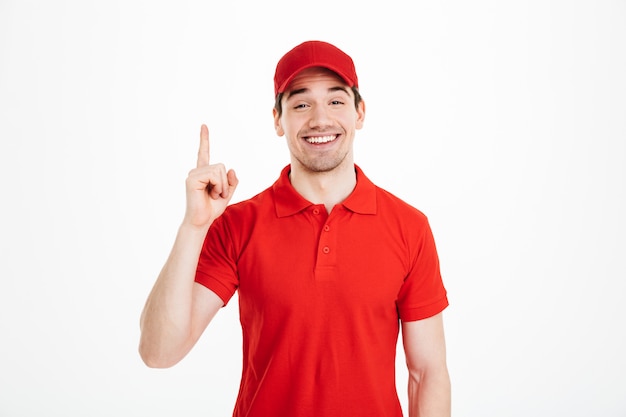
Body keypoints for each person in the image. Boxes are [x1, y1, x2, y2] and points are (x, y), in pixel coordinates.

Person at [139, 40, 451, 417]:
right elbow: (158, 352)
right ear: (277, 120)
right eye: (301, 103)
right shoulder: (238, 225)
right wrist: (193, 227)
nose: (320, 118)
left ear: (360, 113)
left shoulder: (408, 226)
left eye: (335, 101)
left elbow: (427, 372)